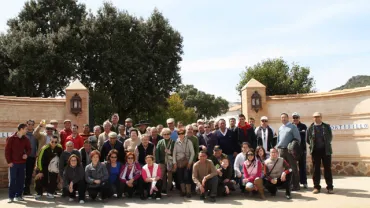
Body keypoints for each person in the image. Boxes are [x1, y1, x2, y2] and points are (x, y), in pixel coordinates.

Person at [307, 112, 334, 194]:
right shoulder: (310, 128)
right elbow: (308, 139)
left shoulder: (326, 126)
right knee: (316, 170)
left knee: (327, 169)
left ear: (321, 117)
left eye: (318, 117)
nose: (316, 118)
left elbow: (330, 137)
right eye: (314, 117)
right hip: (315, 151)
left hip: (326, 151)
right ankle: (316, 187)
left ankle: (329, 187)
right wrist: (313, 146)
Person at [5, 123, 31, 203]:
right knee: (13, 180)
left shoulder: (26, 139)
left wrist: (26, 154)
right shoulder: (11, 138)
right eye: (26, 129)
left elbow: (29, 149)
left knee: (21, 180)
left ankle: (19, 195)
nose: (27, 130)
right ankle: (11, 197)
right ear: (21, 129)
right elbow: (7, 151)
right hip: (13, 163)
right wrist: (9, 162)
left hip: (22, 163)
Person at [277, 113, 301, 191]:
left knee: (293, 168)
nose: (283, 119)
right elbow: (278, 140)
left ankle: (296, 185)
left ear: (288, 118)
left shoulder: (293, 127)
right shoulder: (280, 128)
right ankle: (285, 184)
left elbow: (297, 139)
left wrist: (293, 148)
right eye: (282, 118)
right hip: (281, 150)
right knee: (284, 168)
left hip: (290, 151)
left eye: (284, 117)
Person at [35, 136, 63, 200]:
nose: (54, 143)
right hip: (43, 165)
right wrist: (40, 171)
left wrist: (60, 170)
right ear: (49, 141)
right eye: (52, 141)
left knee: (54, 177)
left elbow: (61, 158)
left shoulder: (59, 148)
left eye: (55, 142)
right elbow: (39, 159)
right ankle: (39, 192)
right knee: (40, 177)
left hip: (53, 165)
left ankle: (50, 192)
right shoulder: (45, 148)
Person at [173, 128, 195, 197]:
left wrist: (190, 162)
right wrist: (174, 163)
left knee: (187, 176)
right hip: (179, 162)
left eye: (182, 133)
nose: (181, 135)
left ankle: (188, 192)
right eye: (179, 133)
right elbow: (174, 153)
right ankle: (183, 191)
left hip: (187, 161)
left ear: (184, 134)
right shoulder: (176, 142)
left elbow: (193, 153)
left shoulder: (189, 142)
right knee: (180, 177)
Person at [155, 128, 175, 194]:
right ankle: (163, 189)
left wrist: (170, 152)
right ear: (162, 135)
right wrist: (158, 162)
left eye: (168, 134)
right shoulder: (160, 142)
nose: (166, 135)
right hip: (161, 161)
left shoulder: (173, 142)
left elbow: (175, 152)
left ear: (170, 134)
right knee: (162, 175)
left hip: (170, 161)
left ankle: (169, 189)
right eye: (164, 134)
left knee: (169, 176)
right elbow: (157, 152)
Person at [292, 112, 308, 189]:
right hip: (292, 150)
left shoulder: (303, 126)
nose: (295, 119)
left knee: (302, 166)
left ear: (299, 118)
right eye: (294, 118)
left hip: (302, 149)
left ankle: (304, 182)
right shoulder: (290, 126)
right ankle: (294, 182)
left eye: (296, 117)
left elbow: (305, 137)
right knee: (293, 167)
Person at [24, 120, 37, 196]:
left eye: (32, 124)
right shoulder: (24, 134)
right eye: (29, 124)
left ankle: (27, 190)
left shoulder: (35, 135)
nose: (30, 126)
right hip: (23, 157)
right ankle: (21, 189)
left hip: (32, 157)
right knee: (22, 174)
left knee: (29, 174)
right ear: (26, 125)